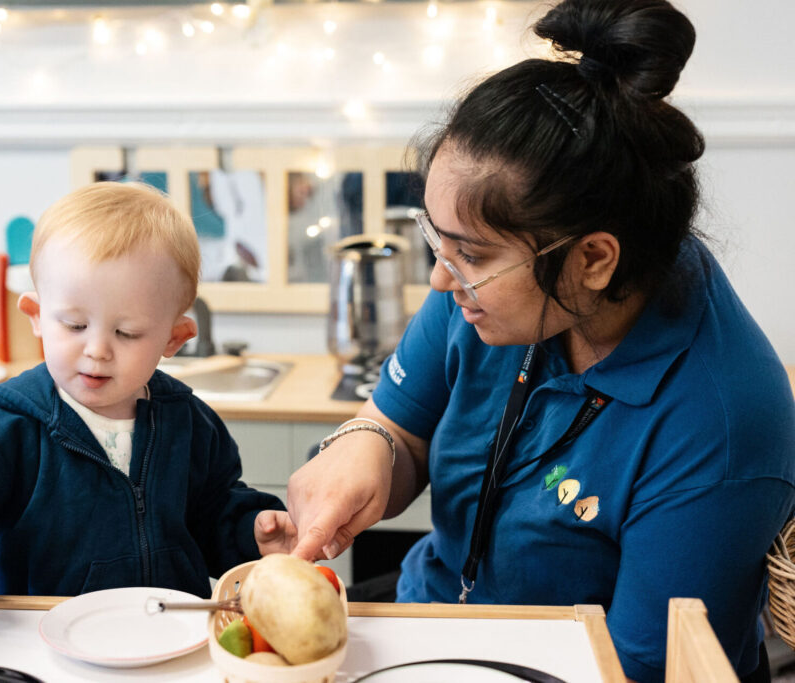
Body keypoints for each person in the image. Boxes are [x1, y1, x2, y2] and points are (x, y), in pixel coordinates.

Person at [275, 1, 795, 681]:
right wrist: (364, 447)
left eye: (468, 254)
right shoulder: (488, 286)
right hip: (435, 629)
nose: (440, 278)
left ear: (594, 259)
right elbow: (400, 432)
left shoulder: (723, 422)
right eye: (438, 240)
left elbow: (641, 666)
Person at [0, 182, 290, 601]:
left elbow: (212, 513)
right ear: (36, 316)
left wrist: (250, 530)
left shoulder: (188, 422)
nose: (96, 351)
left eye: (126, 333)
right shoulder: (7, 421)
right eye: (74, 325)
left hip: (164, 639)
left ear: (174, 337)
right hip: (33, 642)